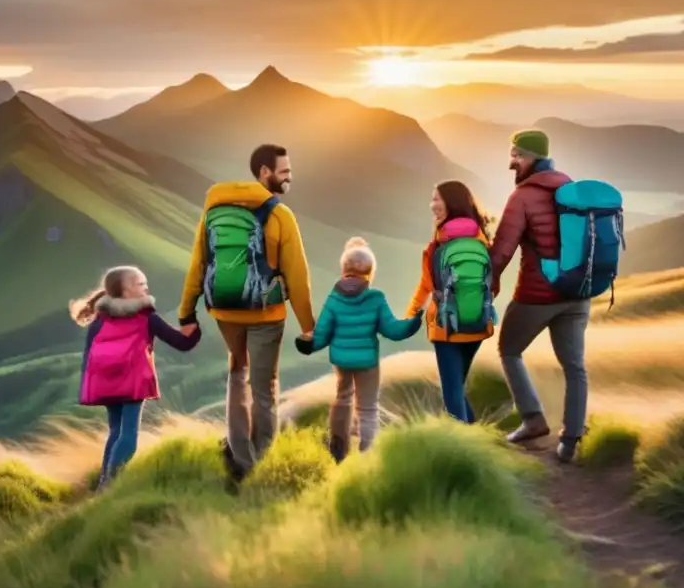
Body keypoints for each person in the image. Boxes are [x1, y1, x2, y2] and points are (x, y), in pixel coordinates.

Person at [177, 144, 315, 481]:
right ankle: (261, 462)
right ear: (264, 173)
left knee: (237, 374)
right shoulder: (280, 215)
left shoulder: (213, 212)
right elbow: (297, 276)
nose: (289, 177)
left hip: (225, 311)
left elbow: (198, 263)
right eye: (284, 172)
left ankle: (240, 456)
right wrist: (308, 327)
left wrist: (187, 315)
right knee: (264, 388)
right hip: (266, 314)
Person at [488, 129, 591, 463]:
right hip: (578, 294)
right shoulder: (571, 189)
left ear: (533, 157)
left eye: (516, 155)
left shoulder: (523, 197)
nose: (511, 162)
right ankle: (571, 442)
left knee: (509, 350)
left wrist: (488, 285)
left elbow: (502, 250)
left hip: (538, 294)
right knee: (575, 367)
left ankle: (533, 420)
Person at [71, 265, 202, 489]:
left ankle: (104, 481)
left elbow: (89, 356)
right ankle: (111, 484)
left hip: (105, 383)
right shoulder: (147, 317)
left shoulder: (100, 320)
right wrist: (194, 330)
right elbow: (181, 343)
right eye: (140, 284)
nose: (146, 288)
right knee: (129, 436)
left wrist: (90, 386)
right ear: (126, 291)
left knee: (115, 431)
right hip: (132, 382)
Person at [295, 237, 423, 461]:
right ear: (370, 272)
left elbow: (322, 333)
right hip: (367, 362)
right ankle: (366, 453)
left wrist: (308, 344)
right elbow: (392, 330)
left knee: (343, 398)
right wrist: (413, 323)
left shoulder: (334, 298)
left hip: (342, 362)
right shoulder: (375, 298)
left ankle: (338, 447)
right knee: (368, 408)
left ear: (344, 269)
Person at [405, 180, 496, 423]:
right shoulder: (480, 237)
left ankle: (465, 449)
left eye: (437, 198)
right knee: (457, 389)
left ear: (451, 203)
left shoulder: (440, 242)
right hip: (477, 323)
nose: (432, 204)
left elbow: (428, 283)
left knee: (452, 394)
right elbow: (491, 283)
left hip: (446, 325)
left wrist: (413, 312)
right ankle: (479, 438)